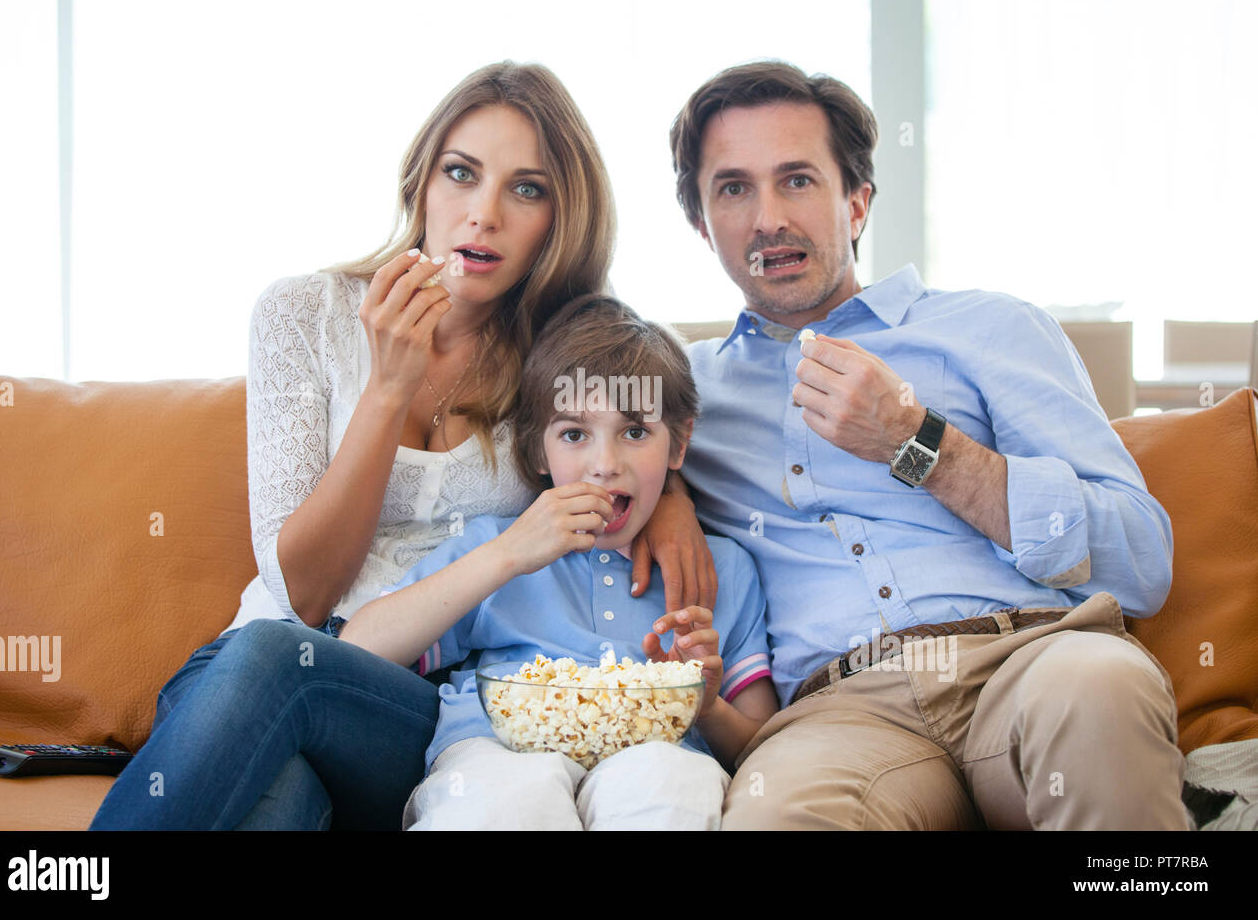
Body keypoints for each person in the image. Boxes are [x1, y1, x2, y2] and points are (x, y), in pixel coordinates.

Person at [90, 62, 714, 831]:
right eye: (461, 174)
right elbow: (306, 597)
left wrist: (676, 502)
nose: (482, 215)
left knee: (278, 668)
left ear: (561, 217)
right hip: (247, 683)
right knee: (277, 794)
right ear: (420, 183)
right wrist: (387, 388)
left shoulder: (560, 355)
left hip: (424, 707)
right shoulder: (303, 315)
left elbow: (645, 426)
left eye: (527, 189)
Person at [664, 60, 1191, 829]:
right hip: (839, 719)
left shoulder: (994, 327)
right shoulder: (686, 393)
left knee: (1102, 691)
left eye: (799, 180)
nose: (768, 217)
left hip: (1029, 661)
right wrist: (671, 501)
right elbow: (562, 446)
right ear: (701, 224)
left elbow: (1142, 562)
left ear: (858, 202)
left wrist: (918, 443)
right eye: (733, 188)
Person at [340, 294, 778, 830]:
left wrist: (706, 706)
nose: (604, 464)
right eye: (574, 434)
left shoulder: (721, 568)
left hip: (662, 753)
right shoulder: (496, 546)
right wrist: (506, 556)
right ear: (539, 452)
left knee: (669, 780)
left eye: (635, 432)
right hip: (498, 750)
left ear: (678, 445)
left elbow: (761, 741)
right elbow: (358, 649)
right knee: (514, 799)